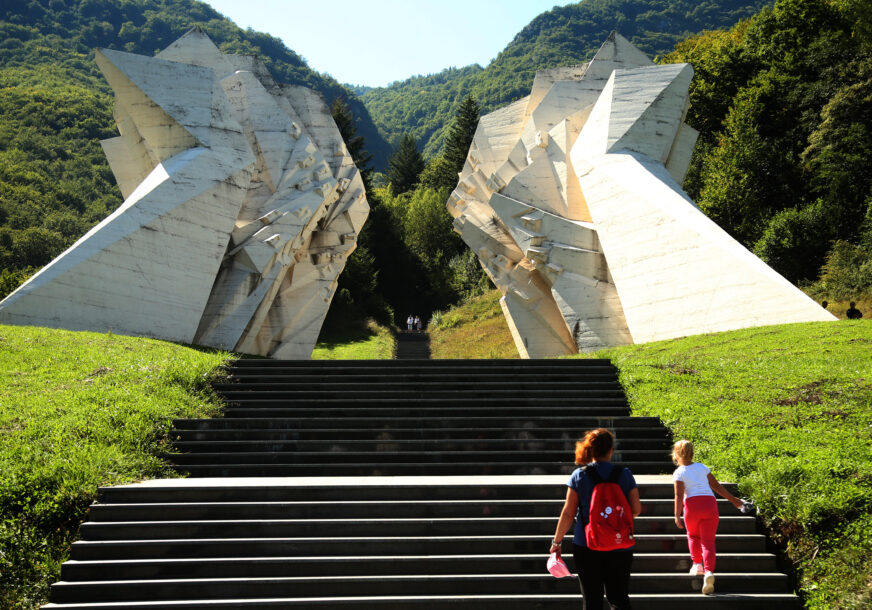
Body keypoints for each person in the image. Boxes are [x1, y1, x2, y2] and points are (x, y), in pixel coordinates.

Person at [550, 428, 641, 609]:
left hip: (586, 544)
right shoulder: (625, 474)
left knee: (592, 599)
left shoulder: (579, 475)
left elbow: (568, 513)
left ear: (589, 449)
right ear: (611, 450)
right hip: (619, 544)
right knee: (619, 597)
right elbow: (636, 510)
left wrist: (557, 542)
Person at [672, 439, 744, 595]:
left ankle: (697, 565)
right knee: (708, 542)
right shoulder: (702, 467)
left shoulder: (679, 472)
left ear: (676, 454)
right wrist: (734, 501)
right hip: (710, 504)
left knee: (693, 536)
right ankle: (709, 572)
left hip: (692, 506)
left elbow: (678, 495)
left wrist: (677, 515)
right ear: (692, 453)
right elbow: (717, 487)